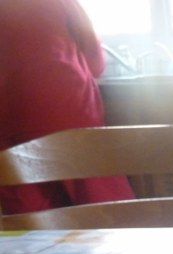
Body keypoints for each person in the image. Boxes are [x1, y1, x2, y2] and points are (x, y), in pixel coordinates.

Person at [0, 0, 135, 215]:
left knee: (32, 218)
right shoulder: (60, 3)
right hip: (67, 110)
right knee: (102, 207)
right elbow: (96, 64)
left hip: (8, 119)